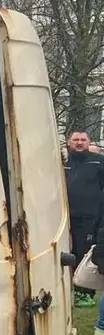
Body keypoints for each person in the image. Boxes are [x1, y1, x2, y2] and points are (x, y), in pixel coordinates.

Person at [65, 130, 104, 307]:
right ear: (69, 142)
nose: (79, 143)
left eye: (83, 140)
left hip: (89, 217)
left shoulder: (98, 162)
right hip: (64, 217)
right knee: (65, 254)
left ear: (89, 142)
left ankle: (85, 293)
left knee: (84, 253)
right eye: (75, 140)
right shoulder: (62, 162)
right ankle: (67, 290)